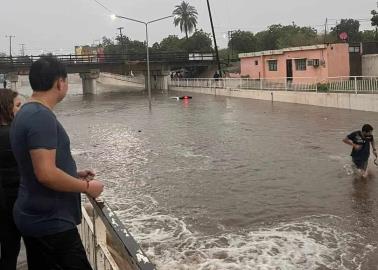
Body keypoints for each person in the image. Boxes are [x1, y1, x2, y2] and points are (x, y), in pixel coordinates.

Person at [10, 56, 104, 270]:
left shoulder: (26, 112)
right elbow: (45, 173)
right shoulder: (40, 117)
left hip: (35, 215)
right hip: (50, 223)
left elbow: (35, 165)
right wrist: (88, 187)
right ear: (60, 83)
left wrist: (73, 172)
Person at [0, 89, 22, 270]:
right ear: (6, 108)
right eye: (17, 106)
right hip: (10, 204)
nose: (20, 110)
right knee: (10, 252)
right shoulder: (13, 135)